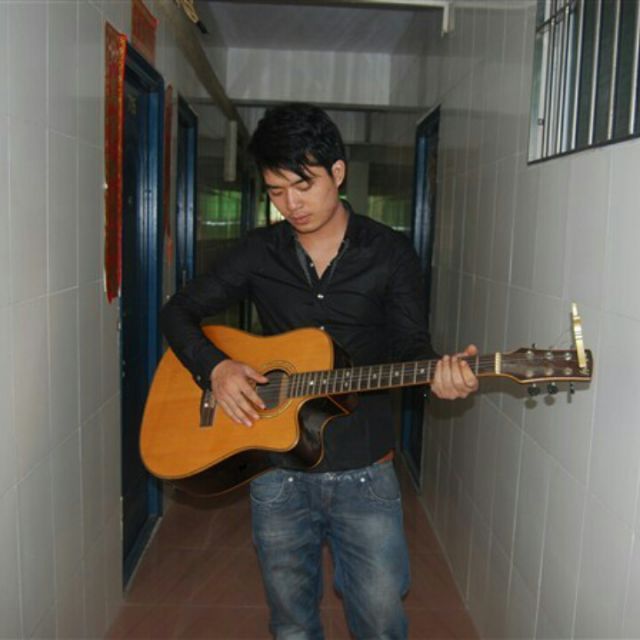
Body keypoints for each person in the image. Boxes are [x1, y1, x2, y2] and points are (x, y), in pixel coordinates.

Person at [160, 103, 478, 640]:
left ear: (338, 172)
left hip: (365, 472)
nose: (291, 205)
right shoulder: (259, 252)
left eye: (302, 186)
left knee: (381, 623)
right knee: (291, 625)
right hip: (277, 471)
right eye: (276, 192)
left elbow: (410, 346)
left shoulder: (390, 253)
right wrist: (215, 368)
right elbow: (178, 312)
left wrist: (439, 376)